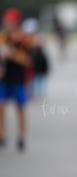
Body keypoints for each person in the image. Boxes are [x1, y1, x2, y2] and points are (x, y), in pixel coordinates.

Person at [0, 8, 33, 151]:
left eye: (11, 22)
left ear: (16, 23)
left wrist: (11, 53)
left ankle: (21, 136)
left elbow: (29, 61)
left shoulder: (25, 39)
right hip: (3, 79)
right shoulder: (2, 38)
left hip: (19, 79)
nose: (8, 24)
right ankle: (2, 135)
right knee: (1, 107)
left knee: (20, 109)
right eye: (6, 22)